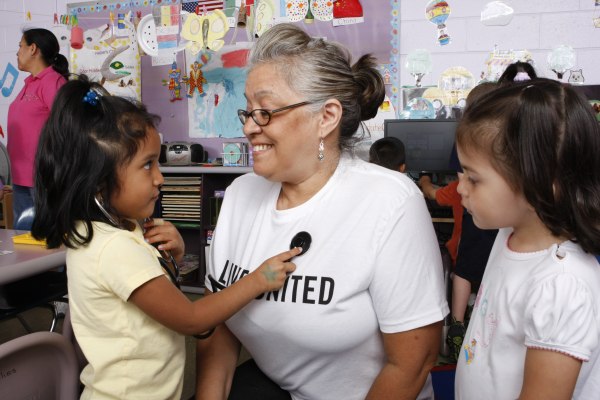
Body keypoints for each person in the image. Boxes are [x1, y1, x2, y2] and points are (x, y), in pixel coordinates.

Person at [196, 23, 448, 400]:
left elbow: (412, 363)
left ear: (326, 118)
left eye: (265, 112)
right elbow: (219, 324)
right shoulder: (239, 194)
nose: (249, 127)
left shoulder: (390, 201)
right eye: (247, 111)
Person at [31, 76, 301, 399]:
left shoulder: (118, 230)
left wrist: (173, 254)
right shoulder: (114, 248)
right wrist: (259, 279)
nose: (160, 178)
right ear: (98, 182)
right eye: (147, 165)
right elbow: (192, 319)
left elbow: (149, 296)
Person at [454, 78, 600, 399]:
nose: (460, 188)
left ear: (540, 182)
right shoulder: (508, 233)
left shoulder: (560, 285)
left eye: (474, 178)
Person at [444, 82, 499, 363]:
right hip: (495, 215)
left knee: (464, 268)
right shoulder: (502, 135)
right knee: (494, 266)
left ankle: (456, 322)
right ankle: (482, 320)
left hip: (474, 214)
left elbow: (458, 181)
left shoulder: (464, 137)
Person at [7, 28, 69, 229]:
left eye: (20, 46)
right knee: (25, 242)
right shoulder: (29, 83)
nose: (17, 52)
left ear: (33, 49)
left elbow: (67, 128)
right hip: (21, 178)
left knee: (46, 244)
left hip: (45, 178)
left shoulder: (53, 81)